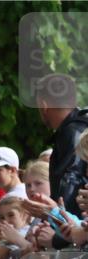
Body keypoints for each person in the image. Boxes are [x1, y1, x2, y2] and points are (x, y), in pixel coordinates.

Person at [34, 73, 88, 212]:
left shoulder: (73, 132)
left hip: (75, 226)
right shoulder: (79, 127)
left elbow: (71, 179)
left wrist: (55, 217)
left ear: (43, 105)